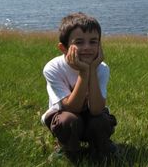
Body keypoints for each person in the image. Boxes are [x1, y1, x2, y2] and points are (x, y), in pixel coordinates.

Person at [41, 12, 117, 162]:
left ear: (100, 45)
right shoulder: (53, 68)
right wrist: (84, 71)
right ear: (64, 48)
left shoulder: (102, 68)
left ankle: (99, 148)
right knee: (68, 121)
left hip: (90, 118)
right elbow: (72, 108)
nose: (87, 47)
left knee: (100, 121)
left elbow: (96, 109)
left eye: (93, 41)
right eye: (79, 42)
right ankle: (69, 149)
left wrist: (92, 69)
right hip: (66, 117)